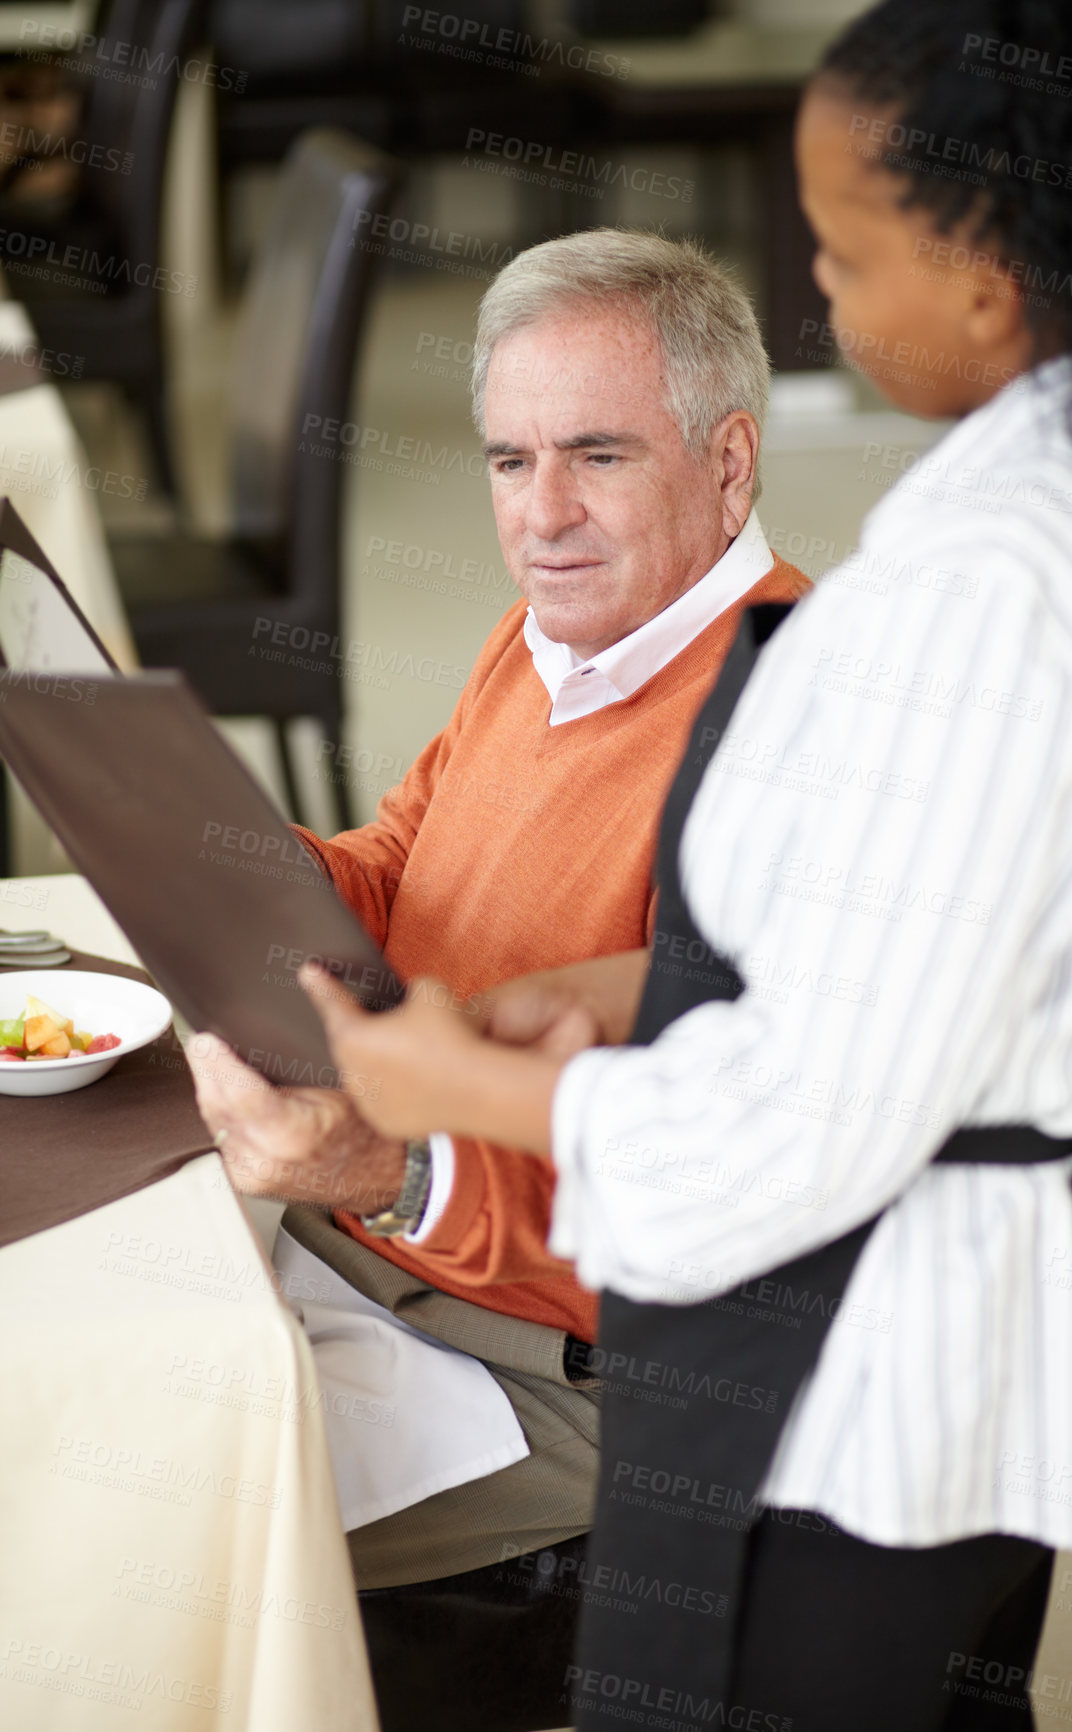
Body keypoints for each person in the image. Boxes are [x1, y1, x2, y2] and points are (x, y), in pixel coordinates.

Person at [289, 3, 1072, 1728]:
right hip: (889, 1303)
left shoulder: (969, 605)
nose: (818, 298)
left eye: (838, 248)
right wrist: (597, 997)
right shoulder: (1045, 509)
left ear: (982, 273)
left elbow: (796, 1125)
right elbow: (869, 958)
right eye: (512, 462)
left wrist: (446, 1095)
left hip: (865, 1352)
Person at [189, 228, 808, 1728]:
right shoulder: (558, 634)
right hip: (374, 1252)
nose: (541, 517)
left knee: (161, 1530)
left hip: (561, 1382)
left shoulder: (786, 735)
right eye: (507, 460)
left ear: (728, 465)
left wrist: (391, 1173)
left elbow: (701, 1204)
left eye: (595, 455)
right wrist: (204, 853)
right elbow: (406, 863)